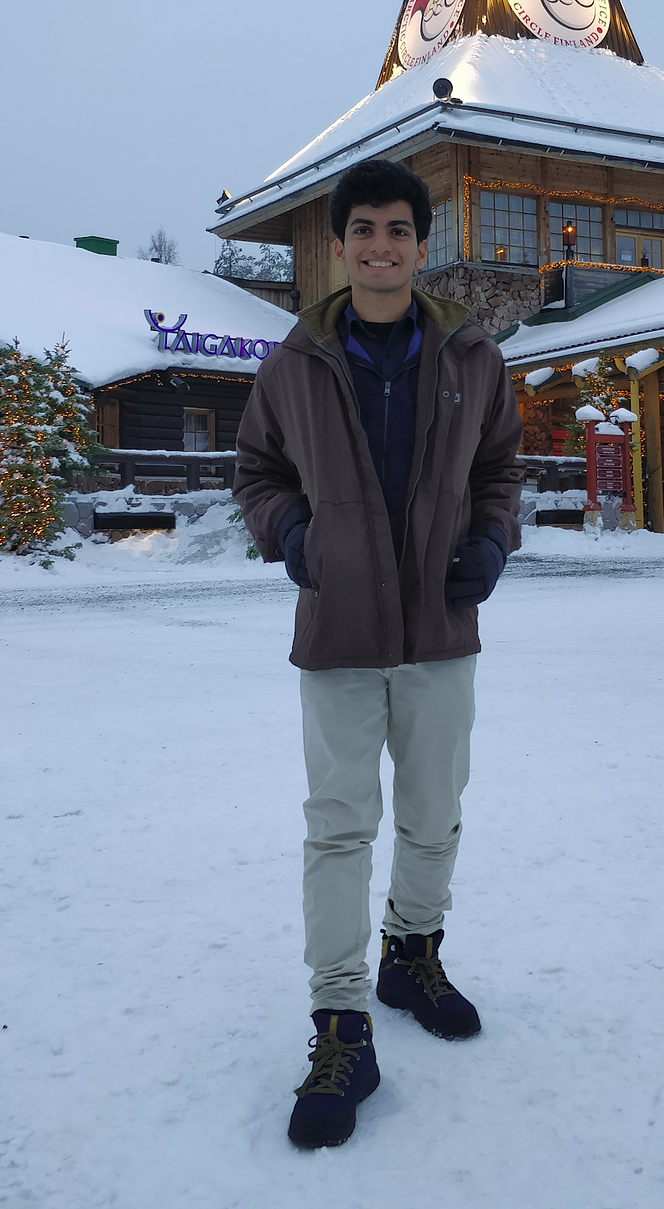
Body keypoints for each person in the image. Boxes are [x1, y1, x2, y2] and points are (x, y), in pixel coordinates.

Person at [233, 158, 523, 1149]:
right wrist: (296, 539)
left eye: (398, 229)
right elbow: (257, 470)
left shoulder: (473, 357)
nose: (380, 246)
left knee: (435, 814)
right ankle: (342, 1021)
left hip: (441, 627)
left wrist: (490, 543)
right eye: (363, 229)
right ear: (341, 241)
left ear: (420, 242)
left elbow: (498, 470)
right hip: (340, 631)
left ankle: (412, 952)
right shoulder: (294, 363)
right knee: (338, 827)